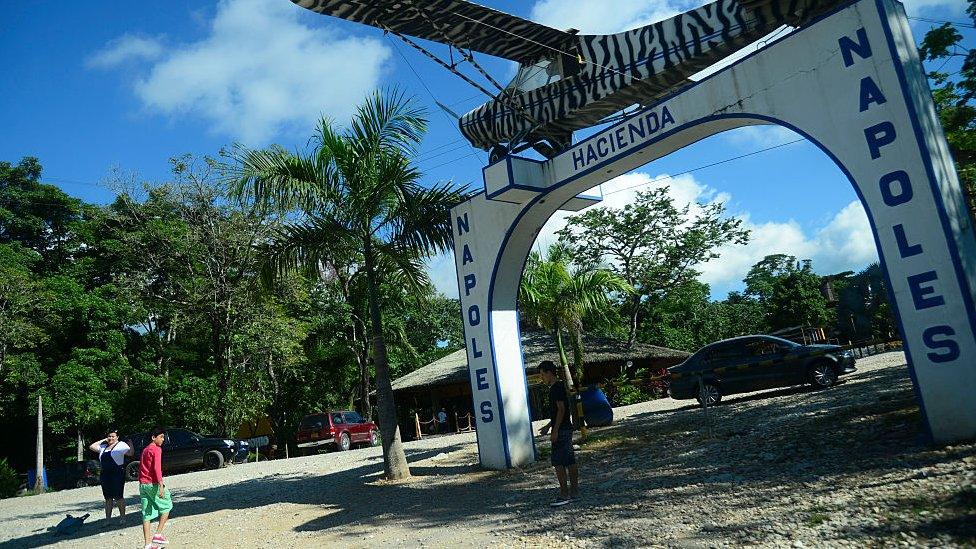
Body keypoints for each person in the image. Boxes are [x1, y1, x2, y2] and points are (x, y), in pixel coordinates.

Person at [537, 360, 579, 506]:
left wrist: (554, 430)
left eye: (543, 375)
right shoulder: (559, 386)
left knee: (558, 462)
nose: (542, 378)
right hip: (564, 427)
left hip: (562, 430)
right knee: (569, 460)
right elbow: (560, 412)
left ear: (549, 373)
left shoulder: (556, 388)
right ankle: (574, 492)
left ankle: (564, 494)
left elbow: (561, 409)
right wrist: (549, 426)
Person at [89, 429, 134, 524]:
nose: (111, 438)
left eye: (113, 436)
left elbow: (130, 453)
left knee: (118, 496)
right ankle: (108, 520)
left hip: (117, 473)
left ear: (117, 437)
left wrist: (130, 442)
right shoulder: (103, 447)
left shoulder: (121, 445)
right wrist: (104, 439)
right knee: (108, 498)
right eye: (109, 436)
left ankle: (122, 518)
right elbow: (92, 446)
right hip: (105, 474)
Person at [139, 428, 172, 548]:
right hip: (152, 484)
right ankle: (158, 534)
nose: (163, 439)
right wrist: (161, 485)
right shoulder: (156, 449)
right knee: (167, 505)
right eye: (161, 437)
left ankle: (147, 544)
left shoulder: (145, 450)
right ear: (153, 437)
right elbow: (157, 469)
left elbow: (142, 468)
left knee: (146, 514)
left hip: (143, 485)